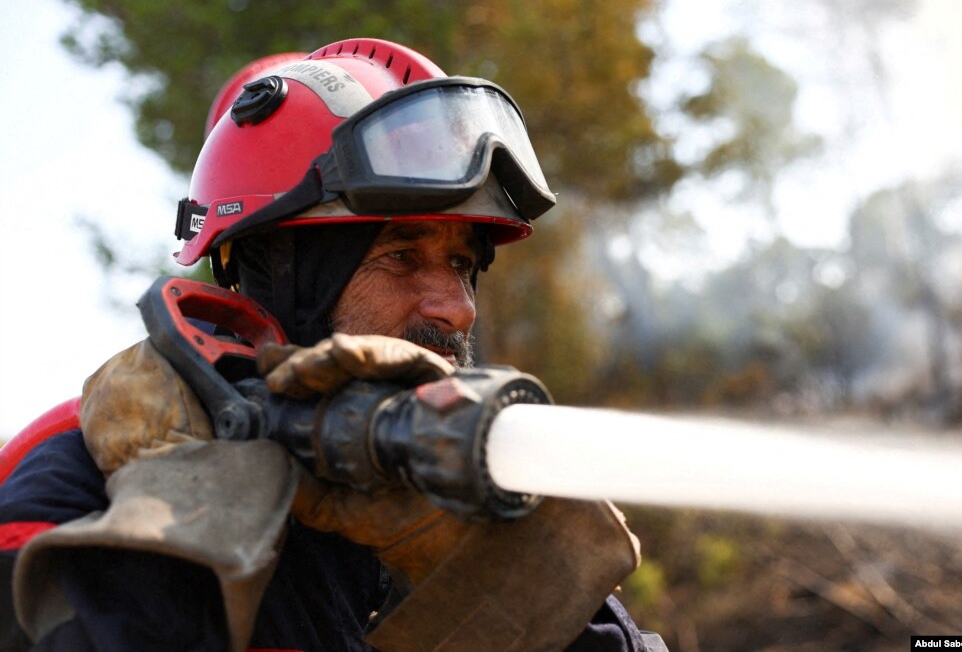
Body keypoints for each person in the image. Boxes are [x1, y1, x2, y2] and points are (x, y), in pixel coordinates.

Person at [0, 38, 664, 651]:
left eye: (462, 264)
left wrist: (511, 570)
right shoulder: (86, 479)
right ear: (285, 277)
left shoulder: (443, 507)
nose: (458, 309)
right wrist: (168, 553)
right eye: (401, 256)